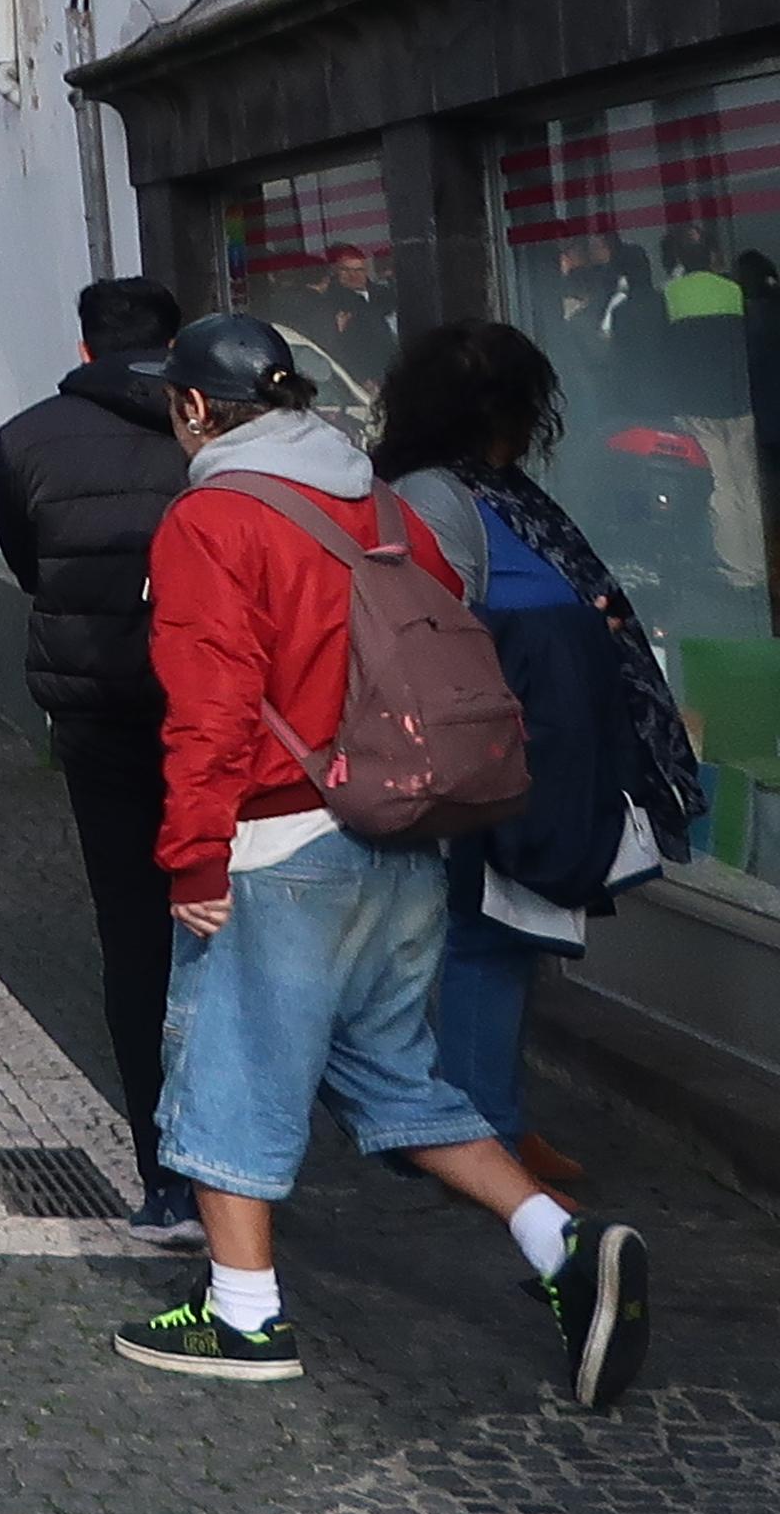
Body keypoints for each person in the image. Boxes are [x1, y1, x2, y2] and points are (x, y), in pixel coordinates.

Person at [112, 313, 648, 1406]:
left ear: (197, 410)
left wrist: (193, 860)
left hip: (278, 832)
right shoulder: (372, 497)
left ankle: (243, 1318)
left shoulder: (211, 516)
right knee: (395, 1073)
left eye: (173, 403)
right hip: (398, 826)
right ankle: (562, 1243)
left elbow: (208, 708)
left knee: (224, 1066)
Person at [371, 321, 701, 1176]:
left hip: (535, 736)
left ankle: (490, 1119)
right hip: (488, 743)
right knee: (488, 932)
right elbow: (429, 622)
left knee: (509, 931)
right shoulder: (435, 496)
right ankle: (474, 1131)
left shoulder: (493, 489)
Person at [0, 277, 203, 1250]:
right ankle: (245, 1166)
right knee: (231, 929)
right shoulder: (212, 434)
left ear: (83, 351)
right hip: (215, 717)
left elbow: (31, 566)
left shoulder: (26, 439)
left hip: (98, 714)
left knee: (134, 936)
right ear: (176, 344)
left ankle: (165, 1179)